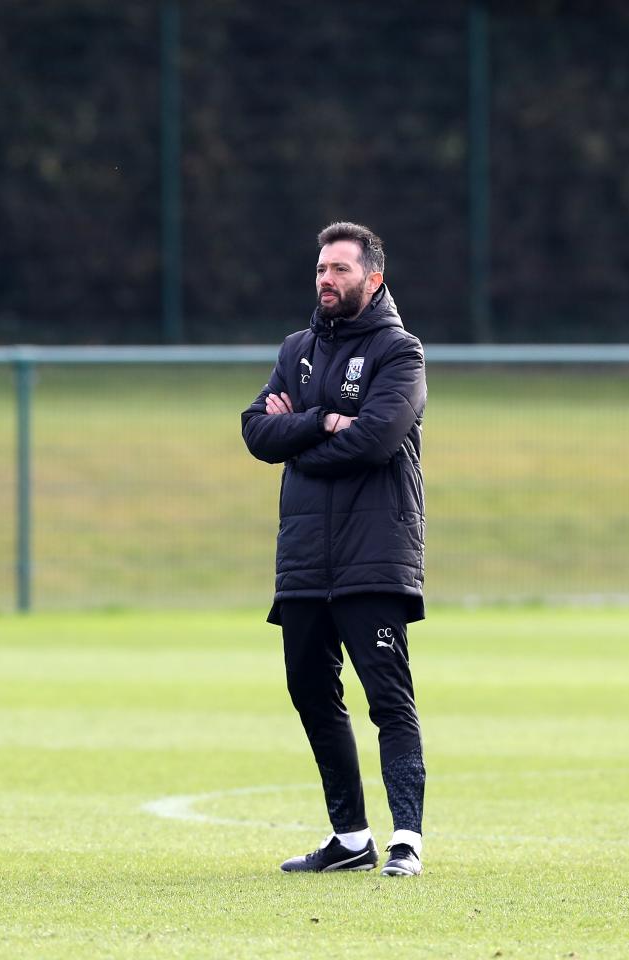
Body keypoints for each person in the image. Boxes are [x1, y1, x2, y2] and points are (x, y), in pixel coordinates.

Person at [241, 221, 427, 877]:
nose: (327, 279)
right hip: (303, 562)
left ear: (372, 279)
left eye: (341, 269)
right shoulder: (296, 349)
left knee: (388, 700)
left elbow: (375, 440)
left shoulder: (399, 354)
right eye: (321, 268)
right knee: (310, 693)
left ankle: (407, 840)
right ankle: (350, 839)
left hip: (372, 556)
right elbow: (256, 431)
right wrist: (318, 421)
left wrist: (298, 443)